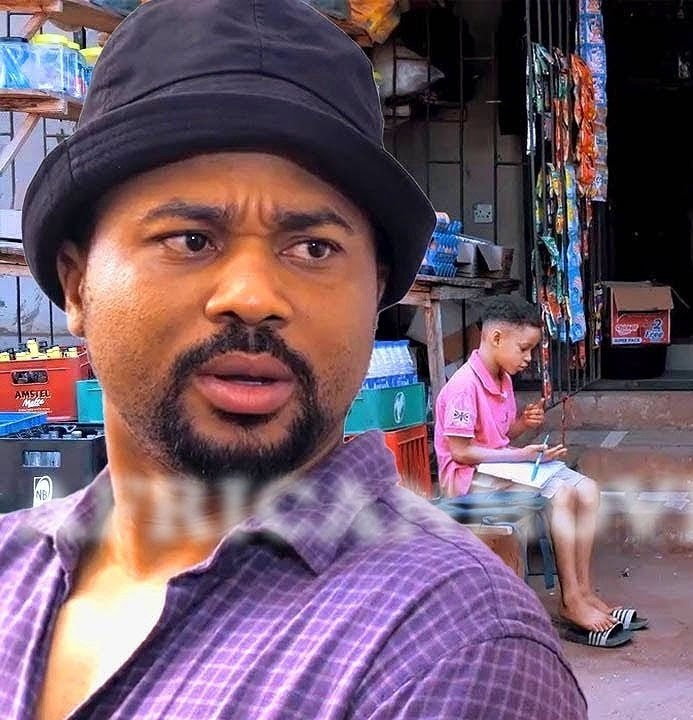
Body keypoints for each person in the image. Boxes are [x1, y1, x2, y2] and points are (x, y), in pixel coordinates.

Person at [0, 2, 586, 719]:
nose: (253, 297)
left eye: (313, 248)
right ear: (77, 284)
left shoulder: (448, 655)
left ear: (375, 293)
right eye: (190, 239)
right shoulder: (11, 569)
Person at [434, 297, 646, 649]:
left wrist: (521, 424)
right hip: (466, 479)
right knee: (561, 494)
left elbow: (498, 437)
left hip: (496, 467)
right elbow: (461, 452)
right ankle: (570, 600)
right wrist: (520, 455)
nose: (529, 358)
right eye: (524, 348)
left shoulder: (502, 378)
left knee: (588, 489)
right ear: (496, 338)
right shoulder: (462, 386)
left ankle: (584, 591)